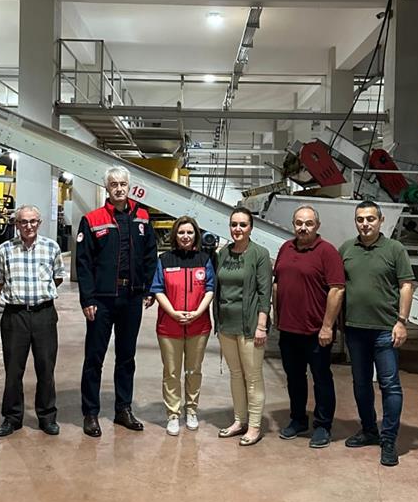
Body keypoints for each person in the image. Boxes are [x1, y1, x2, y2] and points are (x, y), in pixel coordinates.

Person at [75, 166, 158, 437]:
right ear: (107, 188)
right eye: (114, 184)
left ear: (129, 187)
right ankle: (90, 412)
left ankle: (123, 408)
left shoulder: (143, 217)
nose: (119, 188)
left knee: (126, 356)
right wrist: (87, 298)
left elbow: (150, 255)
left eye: (123, 184)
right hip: (102, 300)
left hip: (131, 298)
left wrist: (148, 289)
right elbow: (83, 263)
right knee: (94, 357)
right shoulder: (92, 219)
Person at [339, 199, 414, 467]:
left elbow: (406, 285)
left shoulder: (395, 249)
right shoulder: (347, 249)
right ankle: (369, 430)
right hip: (355, 330)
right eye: (360, 219)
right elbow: (336, 286)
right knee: (360, 384)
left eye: (370, 219)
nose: (365, 224)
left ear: (381, 220)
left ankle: (389, 439)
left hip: (385, 330)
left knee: (389, 385)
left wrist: (401, 321)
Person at [273, 205, 345, 449]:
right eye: (299, 223)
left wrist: (327, 326)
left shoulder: (327, 252)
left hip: (316, 332)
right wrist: (277, 316)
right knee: (294, 378)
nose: (303, 227)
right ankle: (298, 419)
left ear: (317, 226)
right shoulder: (286, 248)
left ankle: (323, 425)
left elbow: (337, 290)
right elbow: (277, 283)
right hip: (288, 330)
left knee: (321, 378)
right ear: (293, 224)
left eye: (309, 223)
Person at [0, 204, 64, 438]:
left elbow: (57, 277)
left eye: (33, 221)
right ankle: (12, 418)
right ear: (16, 224)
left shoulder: (51, 247)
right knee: (13, 369)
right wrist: (17, 297)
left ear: (39, 223)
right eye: (23, 221)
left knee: (46, 367)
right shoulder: (5, 250)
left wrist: (39, 296)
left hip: (44, 314)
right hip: (15, 316)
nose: (28, 226)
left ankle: (47, 417)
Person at [149, 216, 215, 436]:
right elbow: (158, 289)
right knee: (172, 372)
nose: (185, 236)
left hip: (199, 326)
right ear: (175, 235)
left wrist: (197, 313)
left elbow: (210, 288)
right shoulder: (164, 260)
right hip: (169, 327)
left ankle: (192, 410)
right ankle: (173, 414)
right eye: (181, 232)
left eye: (189, 232)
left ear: (196, 235)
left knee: (194, 370)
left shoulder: (204, 259)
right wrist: (173, 313)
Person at [214, 208, 272, 447]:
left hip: (250, 325)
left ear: (251, 228)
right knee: (236, 374)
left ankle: (255, 425)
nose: (237, 229)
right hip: (226, 324)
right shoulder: (222, 253)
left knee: (253, 376)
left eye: (243, 225)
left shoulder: (260, 254)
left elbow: (264, 292)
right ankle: (239, 420)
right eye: (234, 224)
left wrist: (261, 325)